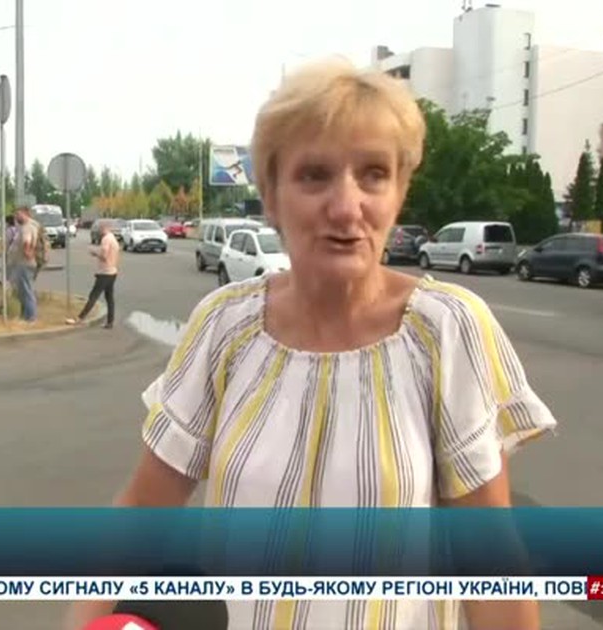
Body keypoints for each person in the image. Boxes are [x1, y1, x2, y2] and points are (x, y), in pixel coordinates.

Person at [66, 59, 557, 630]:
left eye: (373, 174)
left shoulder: (446, 329)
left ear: (399, 192)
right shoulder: (224, 325)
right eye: (315, 175)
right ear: (270, 197)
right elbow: (140, 518)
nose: (347, 207)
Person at [65, 219, 118, 329]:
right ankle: (110, 321)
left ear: (104, 228)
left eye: (100, 228)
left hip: (104, 272)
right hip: (112, 271)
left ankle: (80, 318)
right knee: (109, 297)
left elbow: (104, 255)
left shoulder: (106, 239)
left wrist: (94, 252)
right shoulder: (113, 238)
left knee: (93, 295)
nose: (99, 230)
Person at [8, 207, 40, 322]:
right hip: (24, 263)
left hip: (24, 263)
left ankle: (31, 317)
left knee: (26, 291)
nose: (16, 217)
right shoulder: (31, 226)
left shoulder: (27, 227)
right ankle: (25, 316)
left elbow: (27, 241)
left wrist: (27, 253)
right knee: (23, 291)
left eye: (18, 214)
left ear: (25, 214)